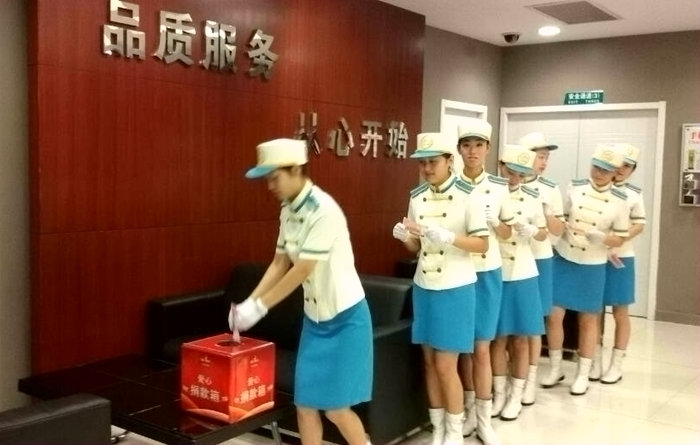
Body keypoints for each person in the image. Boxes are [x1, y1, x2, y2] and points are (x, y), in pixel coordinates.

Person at [229, 138, 373, 445]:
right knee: (305, 406)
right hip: (315, 321)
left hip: (346, 319)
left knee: (336, 410)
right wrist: (249, 302)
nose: (270, 186)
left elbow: (303, 268)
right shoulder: (288, 210)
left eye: (274, 178)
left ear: (296, 170)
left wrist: (261, 308)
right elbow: (280, 262)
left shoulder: (324, 210)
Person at [392, 132, 489, 445]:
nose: (427, 169)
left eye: (433, 162)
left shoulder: (468, 194)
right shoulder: (417, 195)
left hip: (455, 288)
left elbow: (482, 244)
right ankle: (438, 427)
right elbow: (416, 247)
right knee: (430, 361)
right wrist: (404, 237)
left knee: (447, 365)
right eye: (422, 163)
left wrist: (450, 237)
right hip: (425, 285)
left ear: (449, 160)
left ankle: (455, 430)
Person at [543, 143, 630, 396]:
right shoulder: (575, 187)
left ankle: (583, 374)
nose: (599, 173)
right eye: (596, 167)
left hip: (593, 264)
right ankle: (556, 368)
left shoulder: (620, 200)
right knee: (554, 314)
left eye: (606, 170)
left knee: (588, 320)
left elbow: (620, 238)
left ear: (615, 172)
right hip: (565, 256)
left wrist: (603, 238)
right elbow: (562, 219)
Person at [456, 117, 510, 445]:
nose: (472, 151)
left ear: (488, 148)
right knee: (464, 347)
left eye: (478, 145)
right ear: (459, 149)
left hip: (488, 270)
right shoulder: (450, 184)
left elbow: (508, 231)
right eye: (466, 145)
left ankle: (485, 420)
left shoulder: (501, 187)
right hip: (458, 272)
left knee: (482, 347)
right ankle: (465, 412)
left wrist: (497, 224)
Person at [491, 145, 547, 421]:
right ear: (501, 165)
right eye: (510, 171)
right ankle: (499, 394)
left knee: (521, 338)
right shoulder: (488, 191)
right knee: (497, 338)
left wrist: (534, 231)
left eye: (521, 174)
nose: (514, 178)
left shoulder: (533, 197)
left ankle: (516, 394)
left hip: (523, 272)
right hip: (495, 270)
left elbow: (544, 233)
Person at [517, 132, 565, 404]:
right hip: (512, 259)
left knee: (535, 322)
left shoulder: (550, 188)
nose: (544, 162)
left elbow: (558, 229)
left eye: (546, 157)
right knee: (514, 321)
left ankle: (530, 380)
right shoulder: (506, 183)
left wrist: (545, 213)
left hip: (540, 258)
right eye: (539, 156)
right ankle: (514, 376)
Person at [598, 143, 645, 384]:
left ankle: (616, 364)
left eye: (627, 166)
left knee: (620, 311)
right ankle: (594, 360)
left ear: (633, 169)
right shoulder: (597, 187)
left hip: (620, 257)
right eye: (618, 164)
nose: (621, 169)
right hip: (594, 255)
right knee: (593, 310)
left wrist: (618, 240)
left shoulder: (634, 194)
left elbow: (640, 224)